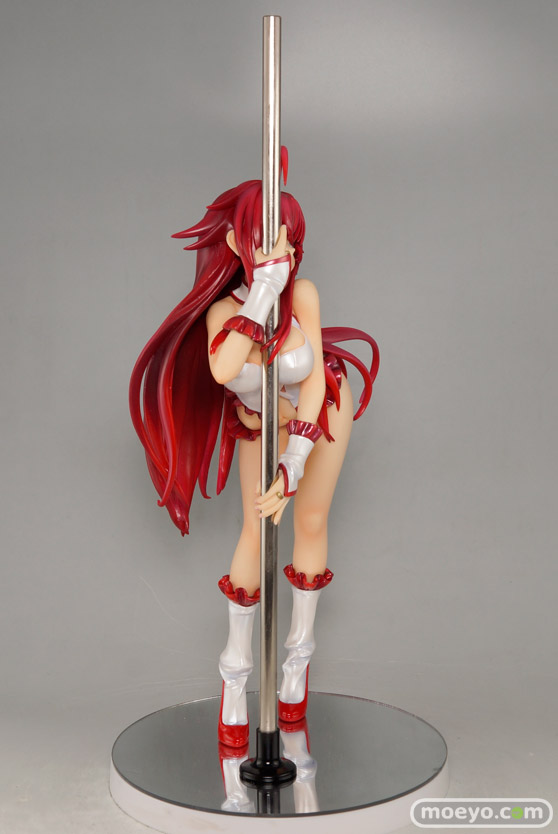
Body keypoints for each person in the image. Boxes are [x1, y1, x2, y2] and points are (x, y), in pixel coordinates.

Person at [129, 178, 379, 747]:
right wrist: (263, 288)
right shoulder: (224, 311)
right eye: (266, 238)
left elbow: (312, 385)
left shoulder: (305, 294)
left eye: (289, 239)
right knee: (255, 530)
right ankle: (234, 673)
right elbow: (224, 371)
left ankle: (297, 662)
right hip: (260, 420)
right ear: (237, 244)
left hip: (319, 413)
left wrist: (293, 462)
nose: (281, 250)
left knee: (309, 520)